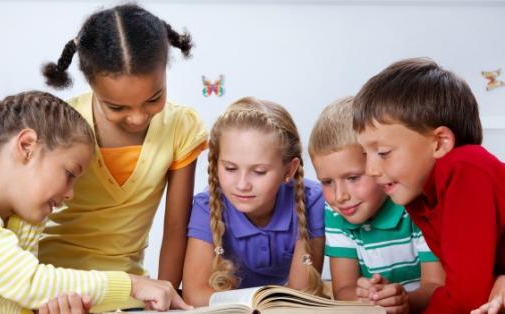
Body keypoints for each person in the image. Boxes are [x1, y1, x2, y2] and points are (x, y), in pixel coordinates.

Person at [0, 91, 189, 313]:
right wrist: (133, 285)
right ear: (27, 146)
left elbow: (11, 304)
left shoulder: (21, 221)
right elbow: (29, 283)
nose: (70, 194)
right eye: (70, 174)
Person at [38, 3, 207, 310]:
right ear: (91, 84)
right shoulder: (61, 124)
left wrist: (162, 298)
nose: (138, 118)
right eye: (117, 107)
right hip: (52, 287)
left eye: (154, 98)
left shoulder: (181, 127)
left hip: (129, 291)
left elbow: (174, 228)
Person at [354, 57, 505, 313]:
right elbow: (469, 289)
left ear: (439, 142)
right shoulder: (421, 196)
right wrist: (406, 304)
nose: (370, 170)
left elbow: (467, 298)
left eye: (383, 152)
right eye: (365, 154)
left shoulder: (465, 168)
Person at [182, 97, 326, 307]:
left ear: (289, 170)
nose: (242, 185)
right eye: (230, 168)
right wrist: (252, 304)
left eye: (259, 172)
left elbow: (300, 294)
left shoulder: (311, 200)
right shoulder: (207, 206)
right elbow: (195, 294)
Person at [308, 96, 444, 314]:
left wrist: (404, 301)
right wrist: (364, 297)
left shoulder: (414, 205)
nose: (340, 196)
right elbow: (343, 289)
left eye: (353, 178)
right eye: (327, 182)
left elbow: (436, 286)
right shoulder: (335, 212)